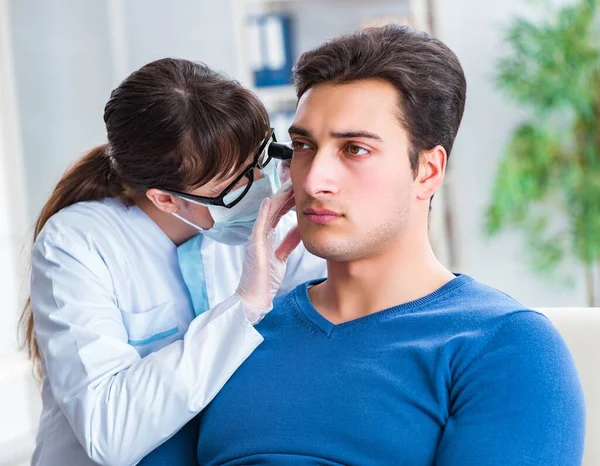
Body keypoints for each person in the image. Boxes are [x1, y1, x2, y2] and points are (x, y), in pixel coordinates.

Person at [177, 25, 584, 465]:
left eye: (354, 149)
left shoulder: (504, 346)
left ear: (427, 171)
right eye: (303, 146)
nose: (313, 181)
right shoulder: (234, 334)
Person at [23, 58, 325, 466]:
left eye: (261, 160)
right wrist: (245, 306)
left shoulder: (270, 222)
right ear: (165, 198)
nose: (262, 186)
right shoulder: (77, 243)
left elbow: (342, 299)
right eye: (235, 185)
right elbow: (110, 432)